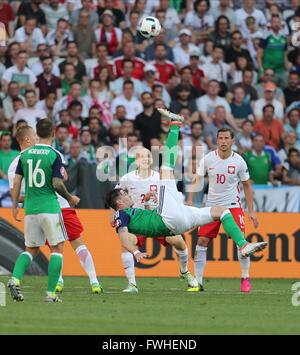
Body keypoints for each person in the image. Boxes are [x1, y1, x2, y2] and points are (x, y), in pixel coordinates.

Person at [106, 109, 267, 267]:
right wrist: (135, 252)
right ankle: (175, 124)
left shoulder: (134, 209)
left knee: (221, 211)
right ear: (119, 203)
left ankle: (243, 244)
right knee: (166, 168)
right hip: (167, 219)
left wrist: (148, 200)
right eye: (123, 194)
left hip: (179, 219)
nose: (127, 194)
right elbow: (123, 237)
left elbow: (146, 219)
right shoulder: (122, 214)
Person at [8, 125, 102, 295]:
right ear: (28, 139)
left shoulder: (16, 163)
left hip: (32, 209)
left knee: (33, 249)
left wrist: (18, 204)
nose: (37, 139)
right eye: (34, 136)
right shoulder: (51, 153)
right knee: (67, 245)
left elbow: (15, 190)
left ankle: (26, 279)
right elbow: (62, 178)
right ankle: (92, 281)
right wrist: (67, 196)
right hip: (56, 206)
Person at [114, 147, 198, 293]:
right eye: (142, 156)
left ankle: (185, 271)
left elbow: (173, 196)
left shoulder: (160, 177)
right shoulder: (127, 178)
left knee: (179, 243)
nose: (145, 159)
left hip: (159, 219)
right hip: (137, 221)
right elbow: (116, 197)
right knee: (126, 243)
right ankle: (132, 284)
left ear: (152, 160)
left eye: (148, 156)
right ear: (136, 160)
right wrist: (112, 215)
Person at [187, 127, 258, 293]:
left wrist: (251, 210)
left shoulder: (239, 161)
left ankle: (245, 278)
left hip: (232, 207)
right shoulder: (208, 159)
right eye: (221, 138)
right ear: (217, 140)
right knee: (202, 242)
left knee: (242, 244)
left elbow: (247, 185)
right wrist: (190, 200)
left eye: (227, 138)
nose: (223, 141)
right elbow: (197, 178)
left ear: (233, 141)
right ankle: (198, 282)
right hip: (211, 208)